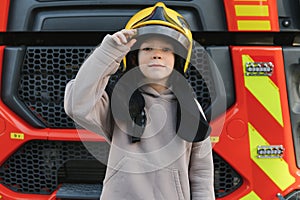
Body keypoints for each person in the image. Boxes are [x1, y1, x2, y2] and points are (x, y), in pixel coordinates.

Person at [64, 2, 215, 200]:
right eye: (148, 48)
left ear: (178, 59)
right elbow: (76, 104)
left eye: (167, 49)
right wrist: (108, 52)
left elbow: (201, 174)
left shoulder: (190, 107)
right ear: (134, 58)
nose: (157, 53)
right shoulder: (119, 101)